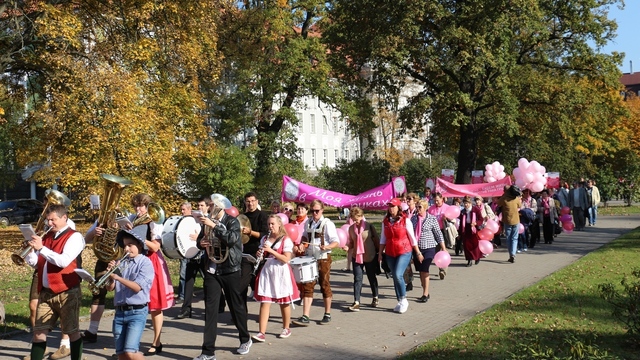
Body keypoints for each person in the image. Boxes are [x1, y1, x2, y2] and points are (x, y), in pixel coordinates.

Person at [193, 198, 252, 360]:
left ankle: (245, 338)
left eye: (212, 206)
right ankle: (208, 352)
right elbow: (199, 240)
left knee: (235, 306)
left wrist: (216, 227)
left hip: (230, 269)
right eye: (210, 206)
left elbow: (233, 239)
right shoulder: (207, 222)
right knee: (210, 311)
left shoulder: (232, 221)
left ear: (220, 208)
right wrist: (201, 243)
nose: (209, 208)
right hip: (212, 269)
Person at [24, 204, 85, 360]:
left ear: (64, 218)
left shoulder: (75, 237)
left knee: (72, 332)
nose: (49, 223)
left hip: (67, 291)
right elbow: (38, 263)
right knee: (38, 333)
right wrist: (29, 252)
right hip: (46, 292)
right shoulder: (48, 236)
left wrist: (42, 248)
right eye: (47, 220)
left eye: (53, 220)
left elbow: (63, 261)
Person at [127, 193, 174, 356]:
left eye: (141, 205)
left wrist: (139, 238)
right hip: (134, 261)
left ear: (148, 207)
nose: (137, 209)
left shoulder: (155, 222)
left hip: (151, 261)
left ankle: (157, 342)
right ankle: (130, 344)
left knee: (154, 305)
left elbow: (155, 247)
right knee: (134, 303)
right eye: (135, 205)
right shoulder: (132, 218)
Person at [108, 228, 154, 360]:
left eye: (130, 245)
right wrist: (111, 276)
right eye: (125, 246)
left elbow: (137, 287)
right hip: (120, 312)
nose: (127, 249)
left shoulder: (145, 263)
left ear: (139, 245)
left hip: (137, 312)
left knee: (131, 352)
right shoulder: (122, 262)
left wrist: (118, 277)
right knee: (121, 354)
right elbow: (110, 288)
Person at [252, 215, 300, 342]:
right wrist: (260, 255)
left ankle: (286, 328)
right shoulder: (265, 238)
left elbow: (286, 259)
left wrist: (271, 251)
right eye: (268, 224)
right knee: (265, 301)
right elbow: (263, 256)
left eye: (273, 224)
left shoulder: (286, 240)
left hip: (281, 272)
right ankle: (261, 332)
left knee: (283, 301)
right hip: (268, 271)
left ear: (279, 224)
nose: (270, 226)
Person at [292, 200, 340, 326]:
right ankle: (305, 316)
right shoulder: (308, 222)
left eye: (317, 211)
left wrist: (328, 246)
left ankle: (327, 313)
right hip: (310, 258)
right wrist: (303, 244)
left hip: (323, 258)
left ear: (322, 210)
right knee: (308, 285)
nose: (314, 213)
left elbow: (336, 242)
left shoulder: (327, 223)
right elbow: (304, 237)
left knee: (324, 284)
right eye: (313, 211)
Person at [378, 198, 420, 313]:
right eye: (390, 206)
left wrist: (418, 252)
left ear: (399, 208)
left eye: (393, 206)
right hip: (390, 253)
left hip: (404, 251)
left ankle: (403, 299)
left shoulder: (405, 221)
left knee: (398, 274)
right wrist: (380, 254)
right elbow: (383, 238)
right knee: (394, 277)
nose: (391, 209)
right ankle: (399, 301)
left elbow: (412, 238)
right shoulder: (385, 222)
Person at [343, 207, 380, 311]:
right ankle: (356, 302)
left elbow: (376, 240)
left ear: (361, 216)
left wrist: (380, 253)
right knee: (357, 279)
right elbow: (351, 242)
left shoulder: (369, 227)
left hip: (370, 256)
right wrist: (347, 246)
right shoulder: (351, 229)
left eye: (358, 219)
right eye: (354, 220)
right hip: (357, 256)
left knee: (371, 277)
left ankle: (375, 297)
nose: (356, 222)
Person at [176, 197, 207, 319]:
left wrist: (199, 238)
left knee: (209, 282)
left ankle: (219, 304)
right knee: (188, 282)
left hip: (204, 255)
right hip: (191, 255)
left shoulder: (209, 219)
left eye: (202, 206)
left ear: (207, 207)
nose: (199, 208)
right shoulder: (192, 219)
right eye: (198, 206)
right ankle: (186, 309)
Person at [411, 199, 446, 302]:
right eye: (417, 207)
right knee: (421, 271)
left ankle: (425, 294)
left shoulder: (432, 219)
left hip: (429, 248)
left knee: (425, 269)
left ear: (425, 208)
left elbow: (438, 233)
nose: (417, 209)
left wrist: (443, 248)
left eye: (420, 207)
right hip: (417, 249)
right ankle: (424, 289)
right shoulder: (413, 219)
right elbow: (411, 234)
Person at [240, 192, 270, 304]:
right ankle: (241, 313)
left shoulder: (262, 215)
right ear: (245, 202)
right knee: (242, 284)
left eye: (253, 201)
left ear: (257, 202)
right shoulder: (243, 217)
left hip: (259, 253)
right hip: (246, 253)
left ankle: (263, 311)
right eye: (248, 201)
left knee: (260, 283)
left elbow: (265, 234)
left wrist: (250, 232)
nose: (250, 203)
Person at [427, 193, 451, 279]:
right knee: (436, 252)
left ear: (442, 199)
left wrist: (447, 218)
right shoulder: (431, 209)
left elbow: (453, 219)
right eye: (434, 200)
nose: (436, 202)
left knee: (443, 250)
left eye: (437, 200)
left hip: (443, 231)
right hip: (433, 232)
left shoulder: (447, 207)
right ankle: (440, 267)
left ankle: (443, 270)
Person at [498, 185, 523, 263]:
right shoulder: (515, 198)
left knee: (509, 238)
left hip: (507, 221)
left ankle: (510, 255)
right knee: (514, 238)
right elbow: (520, 205)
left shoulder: (504, 198)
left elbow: (498, 204)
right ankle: (513, 254)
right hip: (516, 220)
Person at [176, 201, 194, 305]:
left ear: (189, 209)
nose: (182, 211)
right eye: (181, 209)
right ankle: (182, 296)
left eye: (184, 209)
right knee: (183, 273)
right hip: (183, 251)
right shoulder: (180, 220)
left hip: (193, 251)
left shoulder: (194, 220)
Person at [459, 196, 483, 267]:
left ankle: (477, 257)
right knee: (467, 246)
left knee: (475, 244)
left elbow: (481, 220)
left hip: (474, 229)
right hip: (466, 228)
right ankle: (469, 260)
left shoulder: (476, 210)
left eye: (467, 203)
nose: (466, 205)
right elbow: (461, 223)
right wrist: (460, 233)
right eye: (465, 203)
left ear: (470, 203)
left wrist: (476, 223)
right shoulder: (462, 212)